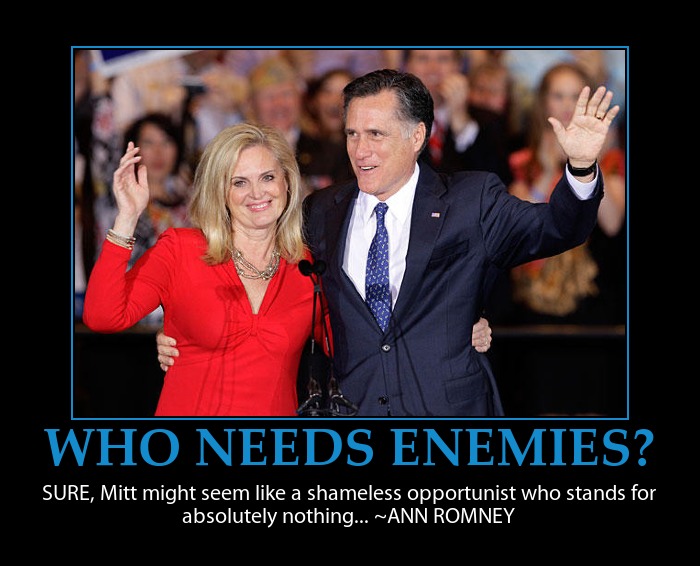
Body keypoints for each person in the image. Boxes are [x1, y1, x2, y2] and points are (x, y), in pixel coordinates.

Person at [157, 68, 619, 417]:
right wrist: (184, 328)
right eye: (352, 134)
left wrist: (580, 168)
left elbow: (556, 228)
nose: (360, 151)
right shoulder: (321, 211)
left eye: (376, 134)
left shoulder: (471, 200)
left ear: (417, 136)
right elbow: (257, 272)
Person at [83, 121, 492, 417]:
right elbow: (103, 316)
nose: (256, 193)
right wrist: (127, 217)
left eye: (267, 177)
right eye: (239, 182)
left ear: (287, 183)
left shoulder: (310, 268)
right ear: (220, 192)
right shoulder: (181, 249)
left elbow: (366, 341)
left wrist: (454, 327)